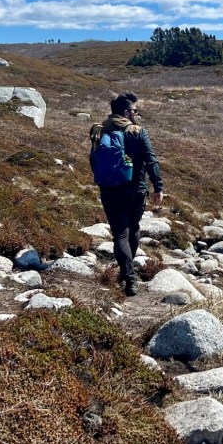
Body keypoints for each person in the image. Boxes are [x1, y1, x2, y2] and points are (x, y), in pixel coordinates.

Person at [89, 92, 163, 296]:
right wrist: (158, 187)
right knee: (134, 228)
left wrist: (103, 181)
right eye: (135, 111)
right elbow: (151, 160)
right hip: (136, 190)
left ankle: (129, 278)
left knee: (120, 233)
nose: (137, 115)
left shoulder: (99, 129)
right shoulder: (138, 131)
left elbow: (93, 159)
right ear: (125, 112)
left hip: (110, 190)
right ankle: (128, 274)